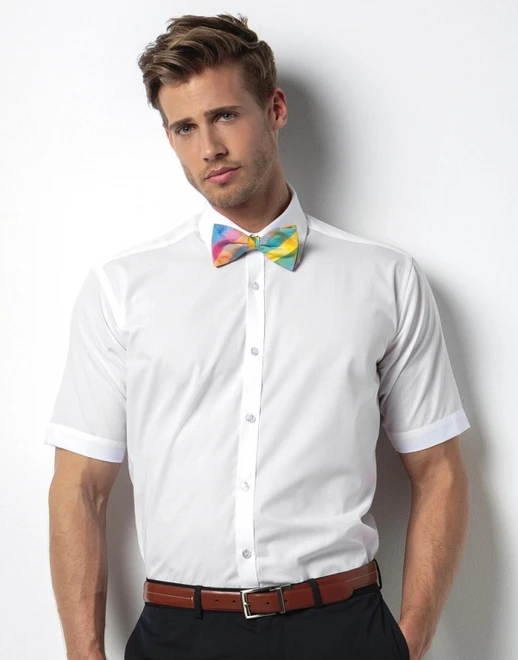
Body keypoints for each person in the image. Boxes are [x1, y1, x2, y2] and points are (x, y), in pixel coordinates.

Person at [45, 13, 471, 660]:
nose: (209, 147)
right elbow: (80, 484)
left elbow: (439, 469)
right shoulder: (121, 288)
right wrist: (83, 654)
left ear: (274, 109)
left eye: (225, 116)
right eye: (185, 128)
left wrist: (408, 642)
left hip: (343, 628)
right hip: (179, 633)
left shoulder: (385, 279)